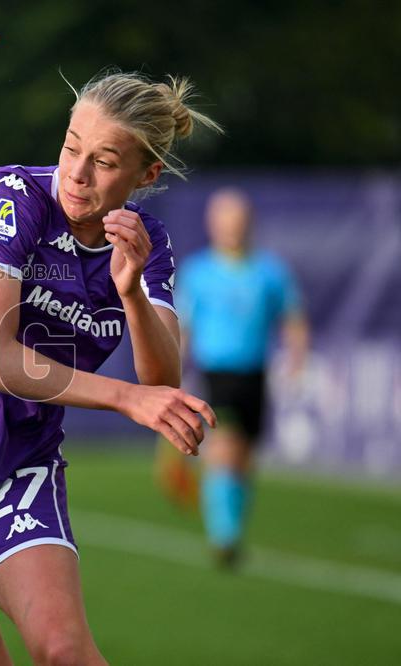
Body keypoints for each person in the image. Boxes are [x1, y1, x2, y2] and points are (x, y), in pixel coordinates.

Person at [0, 71, 221, 665]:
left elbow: (162, 380)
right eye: (72, 146)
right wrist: (125, 399)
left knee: (63, 651)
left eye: (104, 161)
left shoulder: (145, 241)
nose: (77, 173)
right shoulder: (11, 199)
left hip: (19, 464)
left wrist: (130, 292)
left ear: (145, 175)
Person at [176, 187, 308, 566]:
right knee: (225, 447)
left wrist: (297, 358)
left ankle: (231, 527)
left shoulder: (270, 271)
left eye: (237, 221)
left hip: (256, 373)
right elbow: (183, 327)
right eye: (224, 222)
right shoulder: (198, 272)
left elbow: (293, 317)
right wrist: (173, 373)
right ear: (212, 225)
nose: (231, 229)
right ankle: (224, 535)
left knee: (245, 457)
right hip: (217, 373)